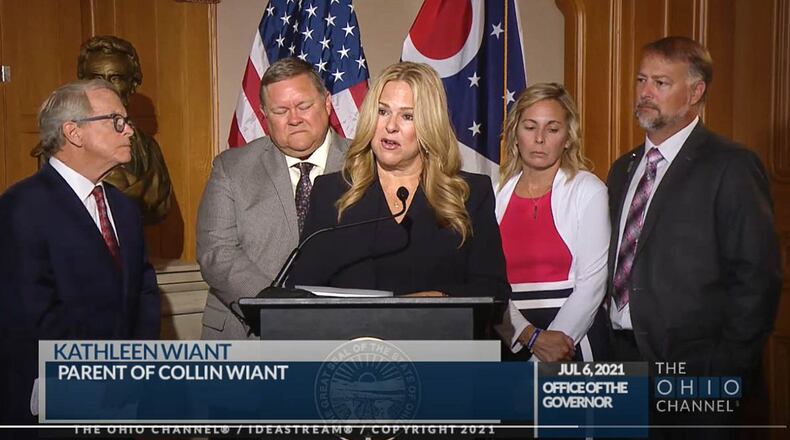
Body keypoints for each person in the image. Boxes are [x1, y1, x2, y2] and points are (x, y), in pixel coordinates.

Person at [607, 36, 780, 411]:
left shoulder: (731, 166)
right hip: (622, 362)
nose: (645, 92)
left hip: (699, 372)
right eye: (641, 80)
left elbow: (757, 278)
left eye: (661, 83)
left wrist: (724, 369)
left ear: (695, 91)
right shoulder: (623, 169)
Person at [0, 80, 160, 424]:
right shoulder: (21, 206)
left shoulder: (124, 208)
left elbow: (145, 291)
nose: (130, 130)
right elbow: (32, 313)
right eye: (116, 120)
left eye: (127, 120)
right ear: (74, 132)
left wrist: (137, 366)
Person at [287, 62, 509, 300]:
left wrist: (439, 298)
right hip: (353, 336)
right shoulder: (332, 192)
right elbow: (302, 289)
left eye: (407, 116)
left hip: (437, 334)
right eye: (382, 112)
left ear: (428, 124)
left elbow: (493, 291)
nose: (390, 126)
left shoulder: (470, 194)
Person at [197, 58, 349, 339]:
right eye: (280, 110)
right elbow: (216, 251)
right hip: (247, 334)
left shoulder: (366, 164)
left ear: (327, 103)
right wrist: (272, 304)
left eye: (304, 106)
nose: (294, 118)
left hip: (341, 334)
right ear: (264, 114)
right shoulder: (231, 167)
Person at [495, 83, 610, 363]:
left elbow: (592, 285)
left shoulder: (588, 190)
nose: (540, 138)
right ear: (515, 134)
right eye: (530, 127)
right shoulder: (494, 191)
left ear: (567, 137)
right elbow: (486, 286)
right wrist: (527, 336)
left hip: (573, 340)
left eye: (553, 129)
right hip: (509, 336)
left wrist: (546, 351)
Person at [31, 36, 174, 224]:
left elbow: (159, 205)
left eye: (116, 78)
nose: (106, 86)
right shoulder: (57, 148)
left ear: (132, 85)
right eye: (96, 78)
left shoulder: (149, 150)